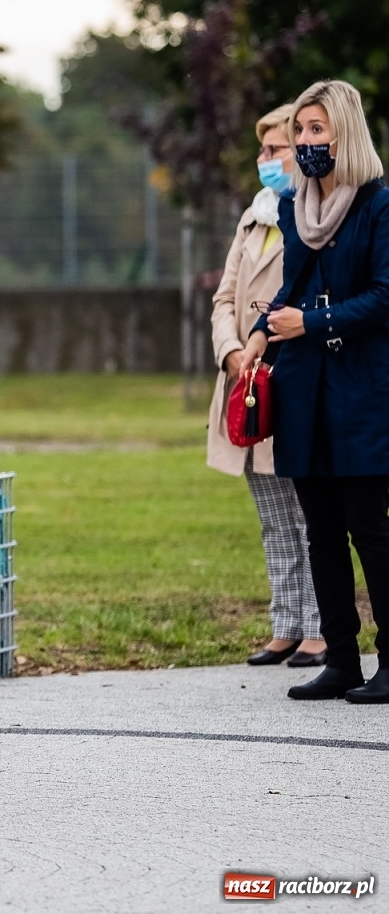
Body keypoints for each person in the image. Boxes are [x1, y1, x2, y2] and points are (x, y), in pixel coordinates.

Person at [237, 79, 389, 705]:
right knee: (319, 529)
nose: (304, 142)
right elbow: (290, 289)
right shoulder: (297, 211)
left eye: (316, 130)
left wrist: (317, 323)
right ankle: (343, 659)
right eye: (300, 131)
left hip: (362, 391)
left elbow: (384, 295)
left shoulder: (379, 205)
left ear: (344, 133)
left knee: (369, 529)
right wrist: (256, 334)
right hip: (305, 390)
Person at [209, 104, 324, 668]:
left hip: (290, 380)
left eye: (274, 149)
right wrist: (232, 351)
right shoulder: (252, 218)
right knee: (272, 515)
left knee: (309, 515)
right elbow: (224, 298)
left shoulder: (313, 217)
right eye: (264, 150)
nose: (266, 160)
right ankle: (286, 624)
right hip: (245, 383)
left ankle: (320, 629)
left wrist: (268, 341)